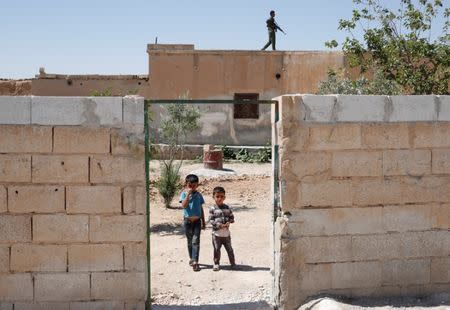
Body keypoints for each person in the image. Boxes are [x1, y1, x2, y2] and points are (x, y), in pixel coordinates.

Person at [179, 174, 206, 272]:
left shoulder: (199, 195)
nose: (192, 187)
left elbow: (201, 208)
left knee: (196, 241)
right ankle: (192, 258)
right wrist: (188, 195)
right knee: (190, 241)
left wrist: (203, 221)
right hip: (188, 221)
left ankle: (195, 261)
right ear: (186, 184)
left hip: (197, 221)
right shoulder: (183, 194)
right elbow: (183, 205)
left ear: (197, 185)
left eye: (194, 185)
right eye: (190, 185)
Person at [208, 186, 236, 271]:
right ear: (213, 197)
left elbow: (232, 218)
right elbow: (211, 220)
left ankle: (233, 263)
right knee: (216, 249)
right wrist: (219, 225)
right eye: (217, 196)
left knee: (229, 249)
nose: (219, 198)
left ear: (224, 197)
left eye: (221, 196)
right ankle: (216, 263)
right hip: (216, 234)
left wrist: (229, 222)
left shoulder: (227, 208)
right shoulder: (212, 209)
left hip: (226, 234)